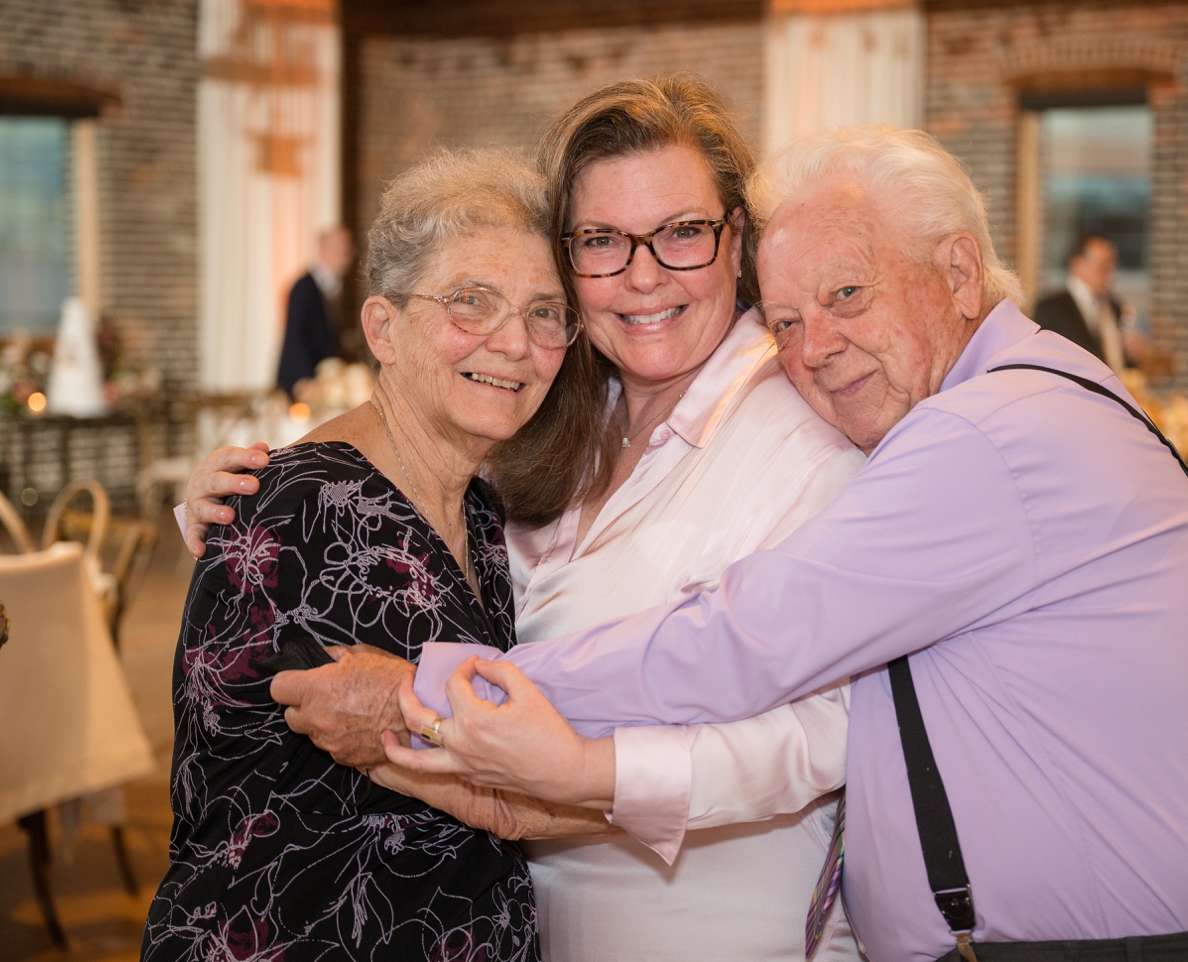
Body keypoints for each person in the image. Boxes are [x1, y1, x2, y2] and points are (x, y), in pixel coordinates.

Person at [261, 126, 1188, 962]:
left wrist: (437, 697)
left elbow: (744, 641)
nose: (814, 350)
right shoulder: (578, 415)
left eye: (848, 295)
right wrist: (276, 478)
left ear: (957, 271)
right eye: (791, 318)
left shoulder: (976, 432)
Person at [184, 74, 866, 962]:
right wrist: (247, 502)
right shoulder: (558, 429)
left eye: (682, 233)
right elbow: (384, 516)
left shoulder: (805, 435)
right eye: (602, 242)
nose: (643, 274)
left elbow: (829, 730)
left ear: (737, 241)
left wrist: (580, 775)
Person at [143, 149, 597, 962]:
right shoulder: (300, 508)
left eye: (545, 312)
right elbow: (504, 779)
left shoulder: (483, 507)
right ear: (384, 328)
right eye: (471, 302)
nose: (514, 343)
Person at [1033, 235, 1142, 374]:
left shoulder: (1114, 306)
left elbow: (1115, 360)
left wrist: (1130, 353)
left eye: (1112, 264)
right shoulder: (1051, 308)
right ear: (1076, 264)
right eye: (1101, 264)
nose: (1108, 271)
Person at [277, 224, 355, 398]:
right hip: (303, 383)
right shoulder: (303, 287)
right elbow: (294, 335)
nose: (346, 253)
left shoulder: (333, 288)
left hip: (323, 382)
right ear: (323, 249)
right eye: (339, 248)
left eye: (347, 248)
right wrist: (304, 379)